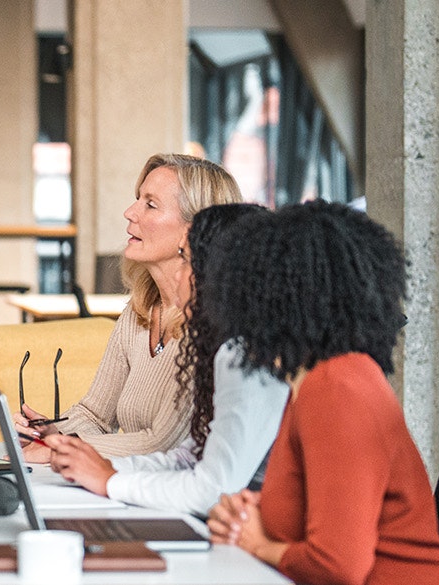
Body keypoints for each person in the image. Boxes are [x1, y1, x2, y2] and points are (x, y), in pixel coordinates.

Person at [203, 202, 439, 585]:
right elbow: (328, 512)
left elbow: (338, 566)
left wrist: (256, 544)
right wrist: (252, 513)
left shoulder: (335, 388)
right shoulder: (316, 381)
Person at [39, 203, 288, 517]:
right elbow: (189, 456)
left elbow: (212, 491)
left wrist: (109, 480)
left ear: (221, 275)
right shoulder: (231, 347)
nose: (178, 274)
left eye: (185, 260)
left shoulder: (247, 358)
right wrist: (95, 465)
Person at [14, 154, 244, 461]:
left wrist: (64, 449)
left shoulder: (211, 324)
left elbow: (162, 446)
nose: (129, 212)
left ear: (194, 230)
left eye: (150, 204)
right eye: (138, 199)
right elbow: (95, 415)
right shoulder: (140, 312)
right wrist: (51, 433)